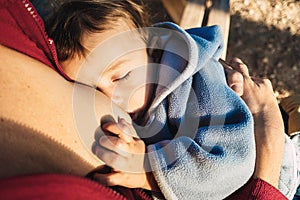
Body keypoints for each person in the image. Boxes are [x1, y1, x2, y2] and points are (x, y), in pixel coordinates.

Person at [0, 0, 297, 199]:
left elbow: (233, 164)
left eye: (120, 77)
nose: (111, 97)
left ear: (153, 51)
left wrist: (148, 171)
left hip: (280, 179)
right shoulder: (140, 76)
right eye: (90, 89)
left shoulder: (198, 87)